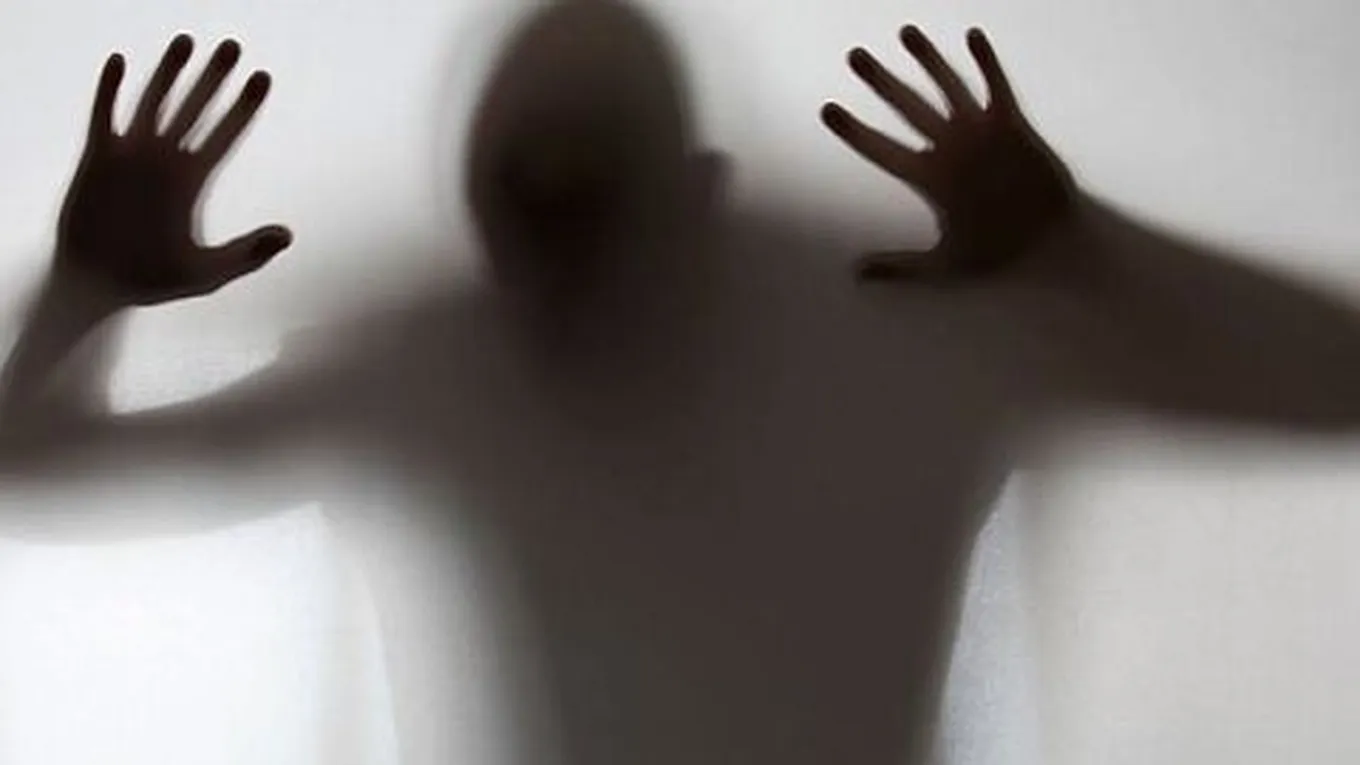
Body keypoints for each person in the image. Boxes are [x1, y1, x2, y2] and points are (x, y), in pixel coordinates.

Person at [5, 2, 1360, 764]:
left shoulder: (912, 330)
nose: (562, 282)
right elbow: (26, 476)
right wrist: (83, 294)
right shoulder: (437, 359)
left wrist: (1082, 253)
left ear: (703, 193)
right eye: (524, 217)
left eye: (585, 206)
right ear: (479, 221)